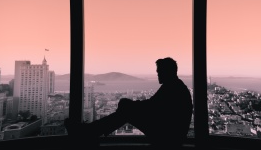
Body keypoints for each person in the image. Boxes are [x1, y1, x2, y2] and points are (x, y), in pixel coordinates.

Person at [64, 57, 193, 147]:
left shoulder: (171, 87)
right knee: (126, 111)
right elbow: (152, 106)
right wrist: (129, 105)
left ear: (167, 72)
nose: (158, 75)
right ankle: (88, 133)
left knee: (126, 112)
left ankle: (86, 133)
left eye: (159, 72)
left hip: (167, 138)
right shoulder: (175, 86)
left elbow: (150, 106)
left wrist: (127, 104)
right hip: (172, 136)